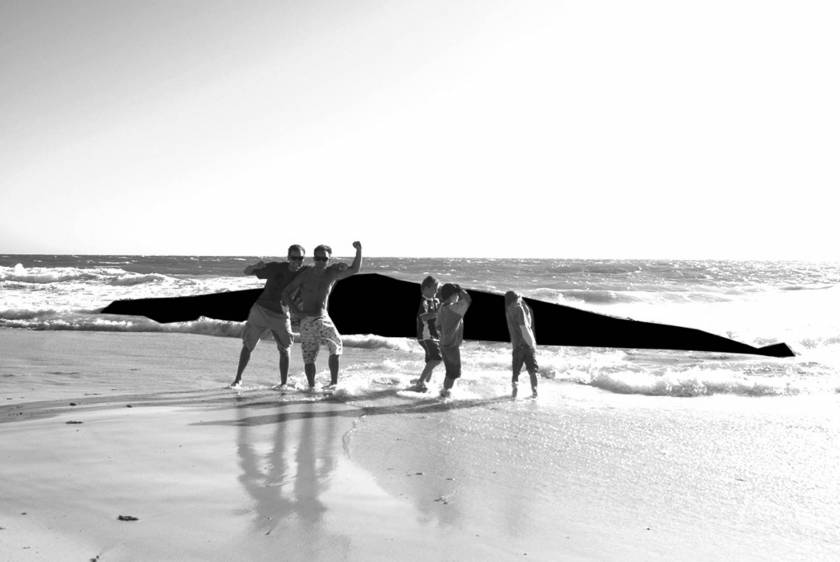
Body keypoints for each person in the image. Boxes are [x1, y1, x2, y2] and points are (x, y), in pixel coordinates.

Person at [281, 241, 362, 390]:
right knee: (309, 357)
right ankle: (312, 387)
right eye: (317, 258)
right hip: (306, 320)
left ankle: (333, 384)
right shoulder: (305, 275)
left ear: (328, 260)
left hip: (322, 318)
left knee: (336, 346)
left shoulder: (331, 273)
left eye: (324, 259)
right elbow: (286, 293)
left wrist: (358, 250)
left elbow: (354, 269)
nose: (320, 261)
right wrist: (296, 311)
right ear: (313, 259)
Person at [229, 245, 308, 389]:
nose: (297, 261)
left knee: (285, 349)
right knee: (248, 345)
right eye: (294, 258)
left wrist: (339, 267)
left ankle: (283, 384)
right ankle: (238, 379)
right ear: (288, 257)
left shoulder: (305, 272)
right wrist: (255, 266)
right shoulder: (276, 267)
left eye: (300, 258)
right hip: (261, 310)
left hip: (281, 315)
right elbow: (246, 271)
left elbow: (324, 273)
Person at [436, 283, 471, 398]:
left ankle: (444, 392)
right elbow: (468, 300)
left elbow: (438, 326)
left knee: (449, 372)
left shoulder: (442, 307)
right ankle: (446, 394)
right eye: (456, 295)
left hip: (443, 343)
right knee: (454, 373)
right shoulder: (455, 309)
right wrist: (460, 289)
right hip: (451, 345)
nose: (458, 297)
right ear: (452, 296)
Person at [504, 290, 539, 398]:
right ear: (516, 299)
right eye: (519, 298)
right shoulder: (519, 309)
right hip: (526, 344)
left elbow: (526, 322)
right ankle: (535, 392)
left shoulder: (508, 310)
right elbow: (524, 327)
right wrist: (531, 343)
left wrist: (522, 302)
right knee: (533, 371)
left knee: (516, 373)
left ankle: (514, 394)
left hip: (517, 346)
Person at [411, 276, 442, 392]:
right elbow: (423, 317)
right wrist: (438, 313)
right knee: (437, 359)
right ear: (425, 289)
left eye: (437, 288)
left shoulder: (434, 301)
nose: (436, 291)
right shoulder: (423, 301)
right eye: (434, 288)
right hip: (426, 335)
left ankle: (425, 383)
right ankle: (420, 382)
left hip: (433, 335)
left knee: (431, 360)